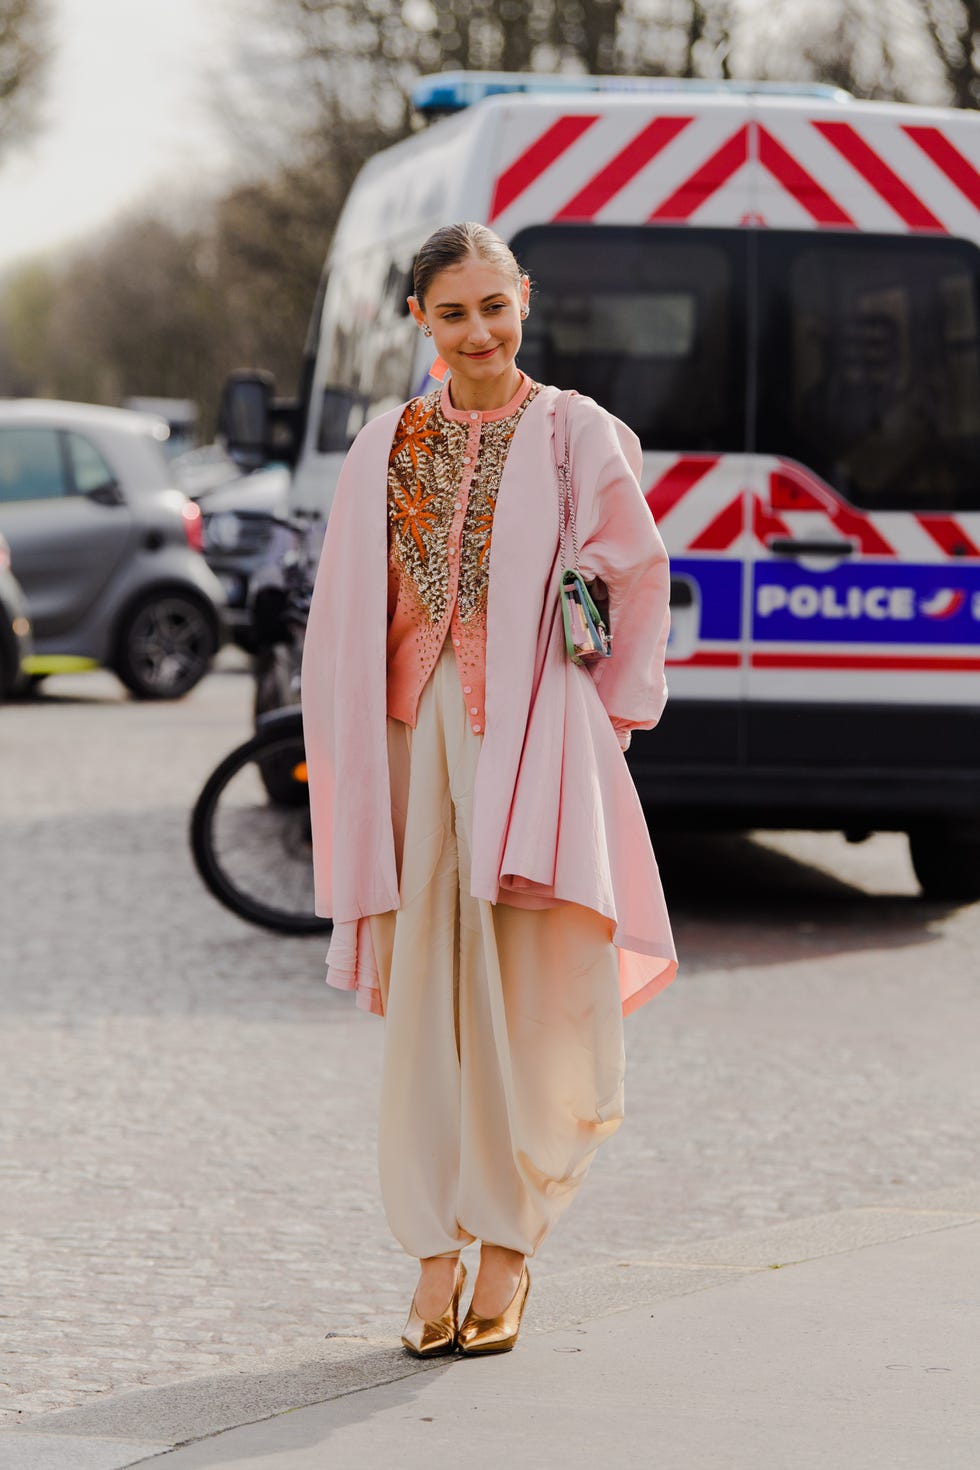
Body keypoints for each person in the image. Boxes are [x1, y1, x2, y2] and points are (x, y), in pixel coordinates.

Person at [301, 221, 677, 1358]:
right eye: (452, 312)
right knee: (428, 997)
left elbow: (636, 575)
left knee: (529, 989)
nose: (477, 332)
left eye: (494, 307)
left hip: (531, 741)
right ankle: (430, 1254)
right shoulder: (383, 442)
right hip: (409, 743)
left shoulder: (573, 434)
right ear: (419, 317)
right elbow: (343, 608)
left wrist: (601, 717)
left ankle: (508, 1248)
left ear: (525, 301)